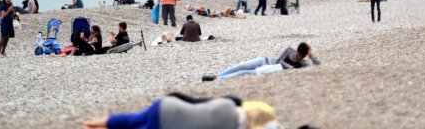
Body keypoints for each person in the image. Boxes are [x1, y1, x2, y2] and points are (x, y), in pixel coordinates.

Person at [83, 92, 280, 129]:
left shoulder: (228, 105)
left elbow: (199, 102)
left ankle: (90, 123)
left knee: (132, 120)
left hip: (169, 104)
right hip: (169, 124)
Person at [203, 42, 320, 81]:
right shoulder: (290, 51)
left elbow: (318, 66)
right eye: (298, 55)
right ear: (297, 51)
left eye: (301, 56)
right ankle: (217, 75)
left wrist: (311, 54)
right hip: (266, 60)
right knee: (242, 65)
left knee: (246, 72)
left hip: (269, 69)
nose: (299, 58)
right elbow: (279, 61)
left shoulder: (303, 63)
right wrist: (291, 68)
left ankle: (217, 79)